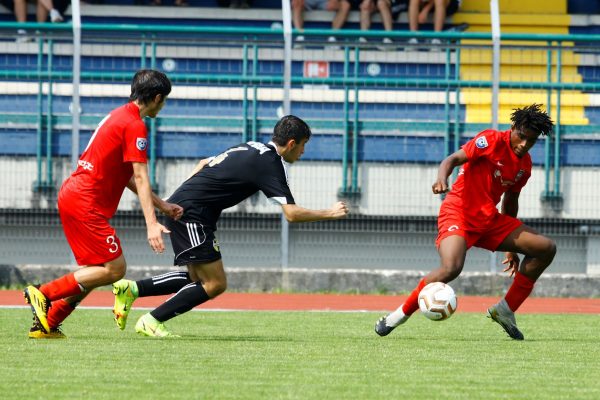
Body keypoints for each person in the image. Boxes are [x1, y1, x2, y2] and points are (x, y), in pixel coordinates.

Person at [112, 115, 350, 337]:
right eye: (303, 145)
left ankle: (130, 289)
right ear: (291, 143)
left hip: (186, 208)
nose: (303, 152)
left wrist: (183, 195)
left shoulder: (251, 145)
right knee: (215, 284)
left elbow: (204, 163)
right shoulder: (271, 163)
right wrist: (330, 212)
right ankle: (151, 320)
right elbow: (292, 214)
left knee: (197, 278)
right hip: (192, 215)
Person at [23, 69, 183, 339]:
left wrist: (162, 206)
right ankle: (44, 293)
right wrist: (152, 224)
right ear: (157, 98)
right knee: (115, 269)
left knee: (96, 271)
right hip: (85, 202)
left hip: (75, 196)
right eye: (164, 100)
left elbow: (127, 177)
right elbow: (141, 177)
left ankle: (48, 322)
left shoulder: (120, 115)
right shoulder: (135, 125)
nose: (163, 105)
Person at [375, 104, 556, 341]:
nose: (524, 144)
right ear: (513, 128)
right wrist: (441, 179)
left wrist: (512, 249)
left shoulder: (524, 165)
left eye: (531, 141)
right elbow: (452, 159)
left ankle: (505, 309)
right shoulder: (490, 140)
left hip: (489, 220)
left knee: (545, 249)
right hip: (458, 213)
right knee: (451, 268)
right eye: (521, 137)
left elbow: (511, 201)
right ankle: (398, 316)